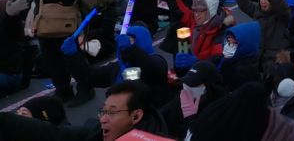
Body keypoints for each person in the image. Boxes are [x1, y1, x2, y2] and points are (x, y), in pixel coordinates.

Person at [0, 80, 168, 141]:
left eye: (112, 112)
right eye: (103, 111)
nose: (103, 119)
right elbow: (57, 134)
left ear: (136, 115)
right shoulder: (98, 131)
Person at [231, 0, 290, 76]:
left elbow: (282, 6)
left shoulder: (282, 15)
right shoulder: (257, 10)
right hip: (258, 56)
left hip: (276, 58)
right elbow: (244, 3)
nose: (263, 1)